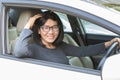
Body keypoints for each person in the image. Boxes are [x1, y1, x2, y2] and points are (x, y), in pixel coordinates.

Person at [14, 10, 120, 65]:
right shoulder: (32, 49)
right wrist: (29, 24)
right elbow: (18, 52)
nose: (51, 32)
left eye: (55, 27)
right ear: (39, 30)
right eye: (46, 28)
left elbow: (83, 51)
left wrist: (110, 43)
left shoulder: (60, 46)